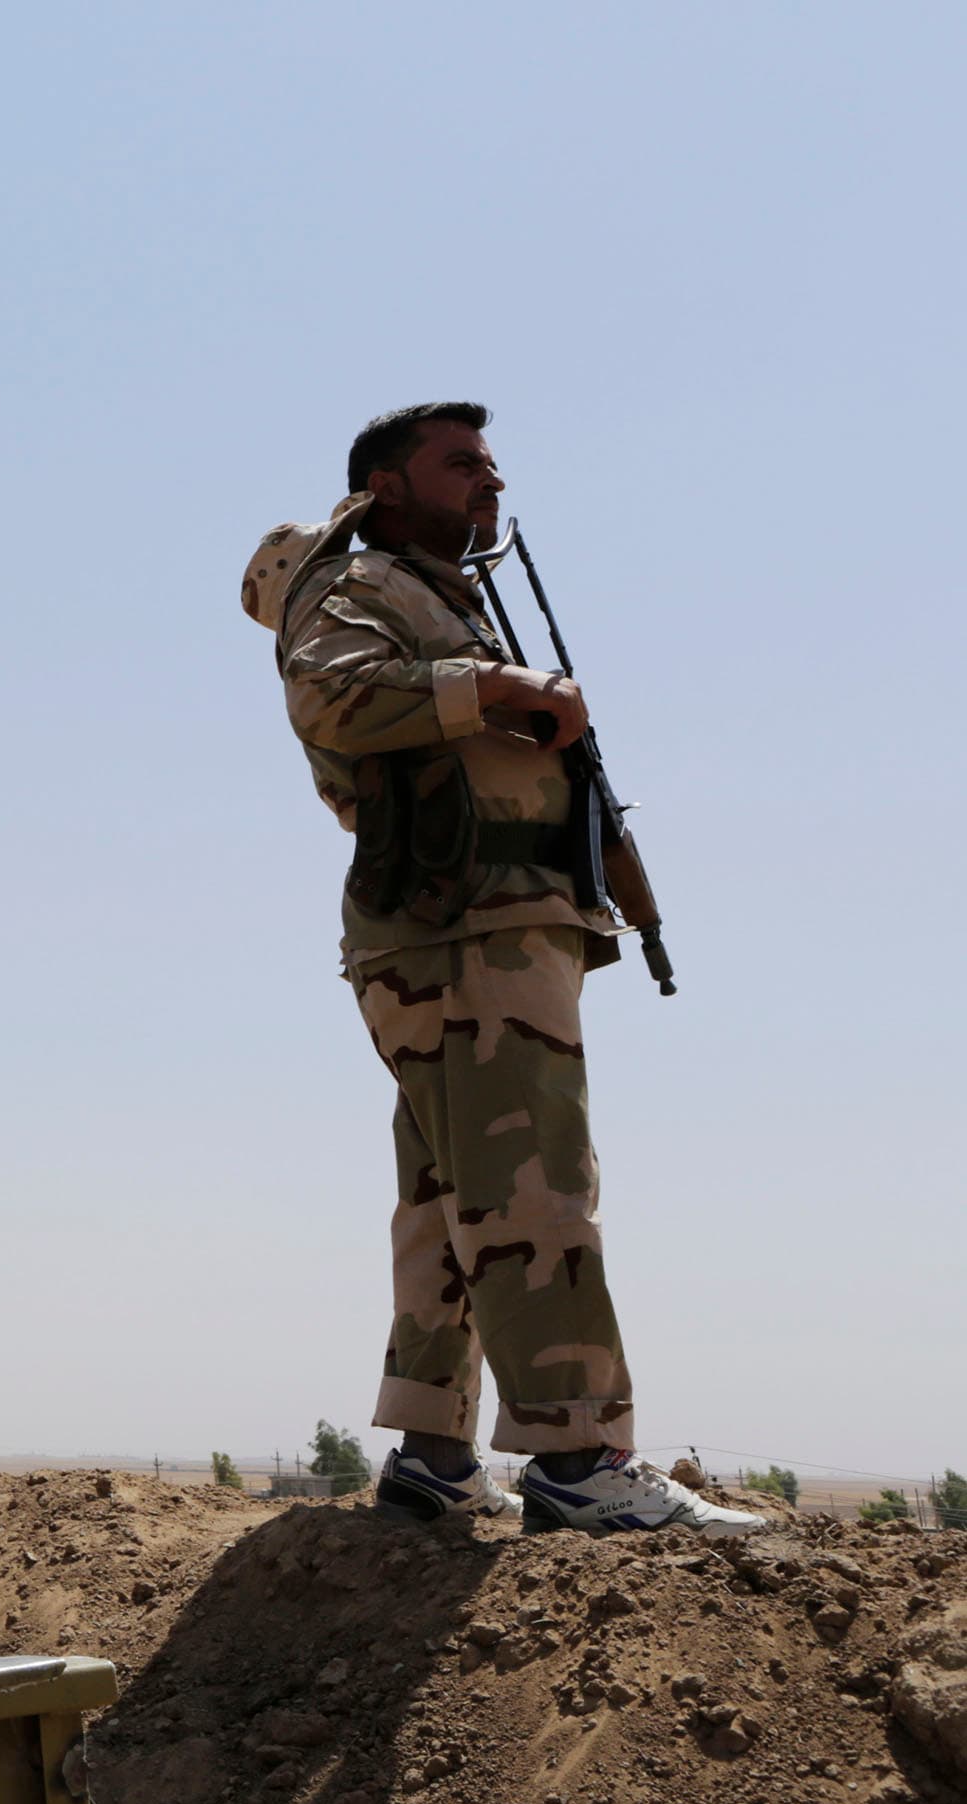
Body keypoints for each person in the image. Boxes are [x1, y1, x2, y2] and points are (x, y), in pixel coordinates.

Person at [247, 401, 757, 1537]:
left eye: (490, 462)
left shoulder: (436, 593)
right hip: (459, 927)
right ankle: (577, 1457)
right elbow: (326, 695)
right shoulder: (358, 587)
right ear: (384, 487)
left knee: (447, 1199)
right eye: (460, 462)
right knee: (534, 1187)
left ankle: (432, 1452)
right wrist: (507, 690)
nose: (490, 479)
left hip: (481, 925)